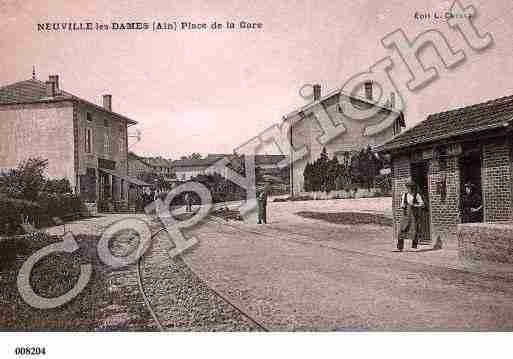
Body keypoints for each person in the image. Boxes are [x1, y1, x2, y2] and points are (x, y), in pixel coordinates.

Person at [397, 180, 425, 251]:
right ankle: (400, 247)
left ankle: (414, 246)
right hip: (405, 214)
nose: (409, 189)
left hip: (413, 215)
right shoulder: (405, 195)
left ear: (413, 188)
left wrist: (415, 205)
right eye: (407, 187)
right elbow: (402, 204)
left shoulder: (417, 195)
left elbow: (422, 204)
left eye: (410, 187)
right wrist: (403, 205)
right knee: (401, 230)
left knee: (414, 230)